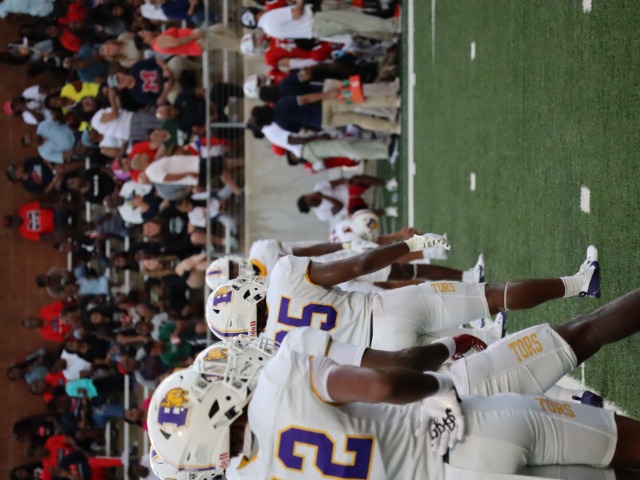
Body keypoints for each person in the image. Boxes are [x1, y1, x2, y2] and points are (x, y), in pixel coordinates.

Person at [148, 304, 640, 479]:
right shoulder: (278, 378)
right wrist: (441, 386)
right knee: (583, 333)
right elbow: (384, 382)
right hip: (469, 428)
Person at [207, 238, 601, 351]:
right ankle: (580, 284)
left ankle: (573, 396)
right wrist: (409, 245)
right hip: (388, 308)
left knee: (490, 359)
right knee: (493, 296)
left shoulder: (277, 352)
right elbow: (359, 266)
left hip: (383, 355)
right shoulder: (281, 275)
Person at [240, 2, 398, 40]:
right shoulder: (269, 18)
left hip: (315, 29)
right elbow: (296, 13)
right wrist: (300, 1)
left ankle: (389, 34)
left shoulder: (268, 29)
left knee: (355, 25)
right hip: (316, 21)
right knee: (357, 21)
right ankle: (393, 26)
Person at [297, 175, 399, 221]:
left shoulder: (318, 187)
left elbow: (338, 181)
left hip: (348, 190)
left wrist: (346, 181)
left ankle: (387, 184)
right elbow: (339, 205)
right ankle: (387, 211)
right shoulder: (321, 214)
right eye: (308, 200)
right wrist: (323, 196)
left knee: (355, 179)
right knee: (357, 215)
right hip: (349, 206)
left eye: (307, 196)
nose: (310, 197)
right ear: (309, 206)